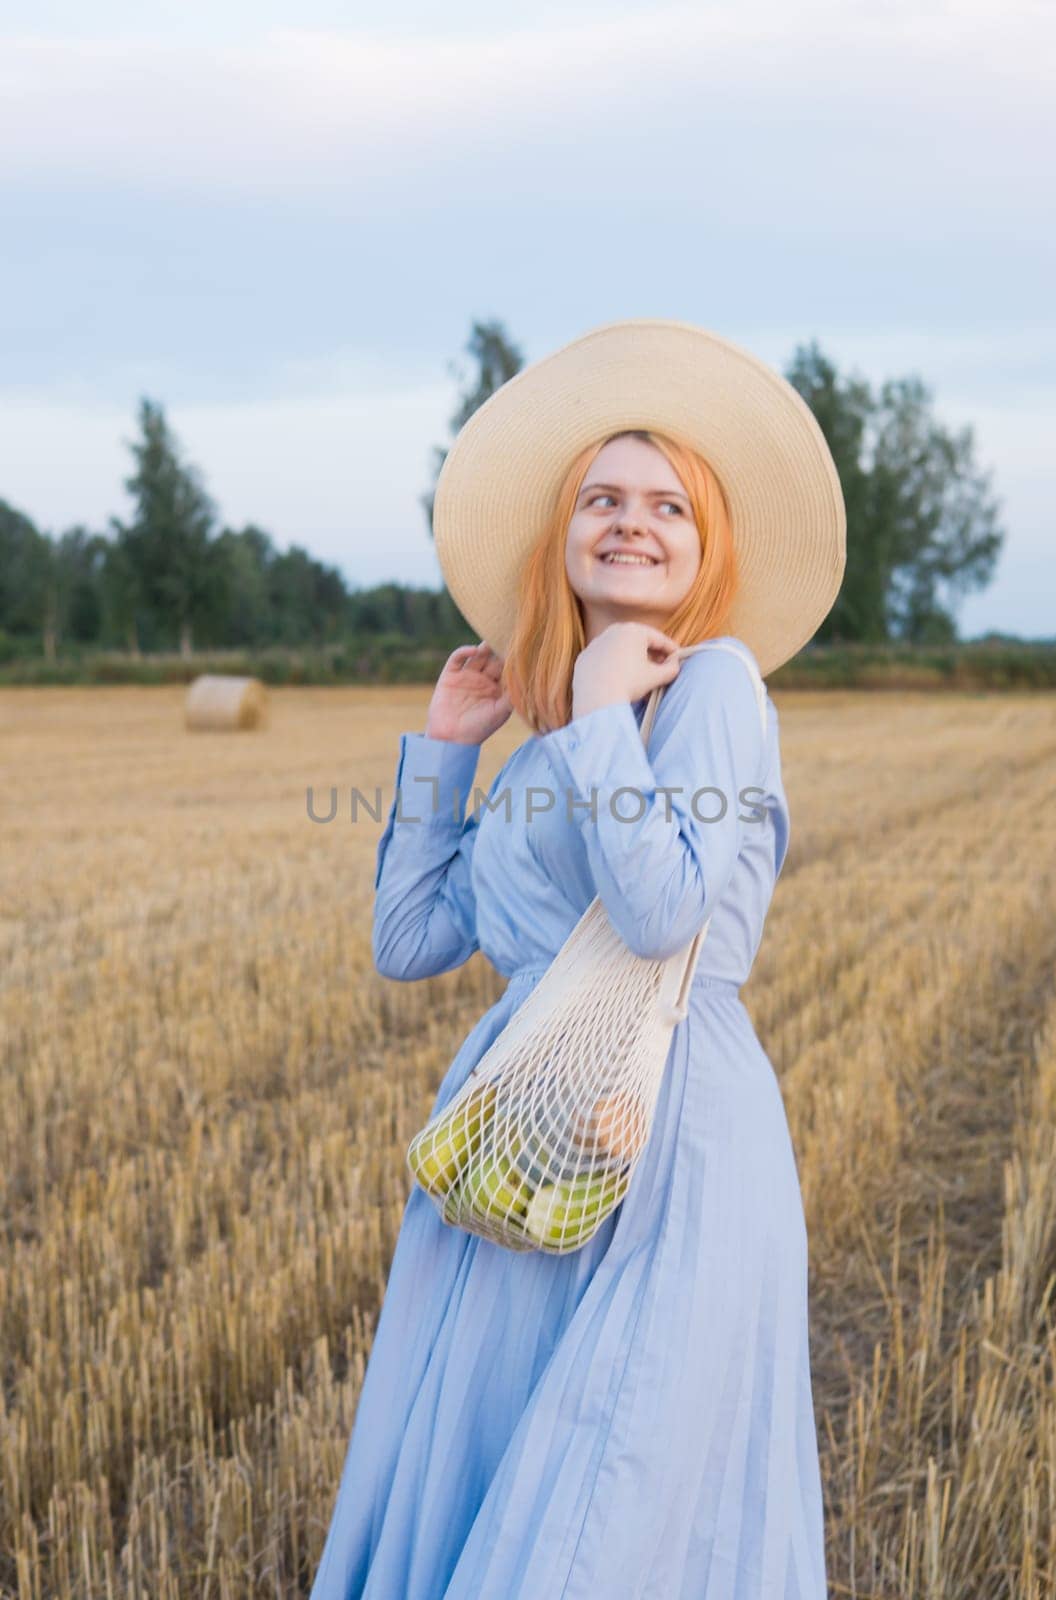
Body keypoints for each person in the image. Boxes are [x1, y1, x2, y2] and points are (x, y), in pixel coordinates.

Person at [309, 318, 846, 1599]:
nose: (631, 521)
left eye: (669, 504)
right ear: (561, 536)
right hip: (517, 1129)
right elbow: (412, 940)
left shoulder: (713, 687)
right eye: (601, 497)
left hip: (662, 1131)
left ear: (708, 544)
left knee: (611, 1497)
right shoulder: (551, 738)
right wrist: (449, 748)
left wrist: (607, 710)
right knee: (508, 1472)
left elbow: (667, 919)